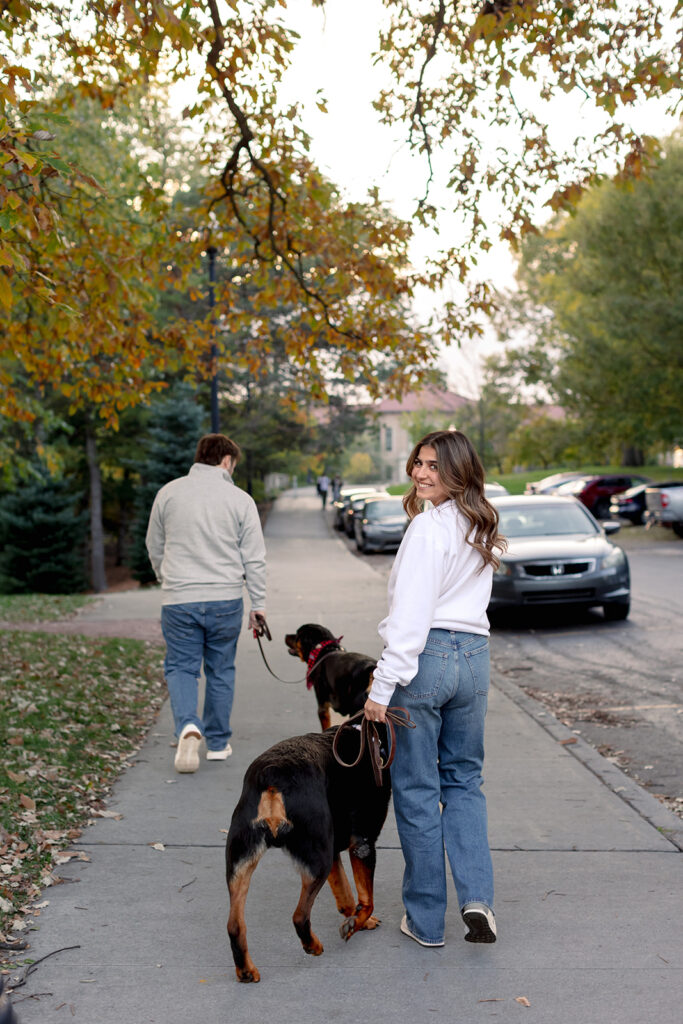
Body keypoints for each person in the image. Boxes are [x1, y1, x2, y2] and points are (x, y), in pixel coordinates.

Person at [363, 429, 505, 948]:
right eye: (418, 463)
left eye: (433, 466)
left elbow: (410, 618)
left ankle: (425, 921)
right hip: (474, 661)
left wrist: (381, 687)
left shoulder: (427, 529)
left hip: (427, 661)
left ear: (458, 471)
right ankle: (478, 899)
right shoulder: (480, 522)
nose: (421, 473)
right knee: (464, 783)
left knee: (419, 791)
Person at [146, 434, 267, 774]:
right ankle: (216, 743)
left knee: (181, 667)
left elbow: (154, 544)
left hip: (179, 598)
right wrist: (258, 603)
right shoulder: (240, 499)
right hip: (225, 599)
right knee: (221, 669)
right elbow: (254, 558)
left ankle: (187, 725)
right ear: (226, 461)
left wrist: (165, 577)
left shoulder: (168, 494)